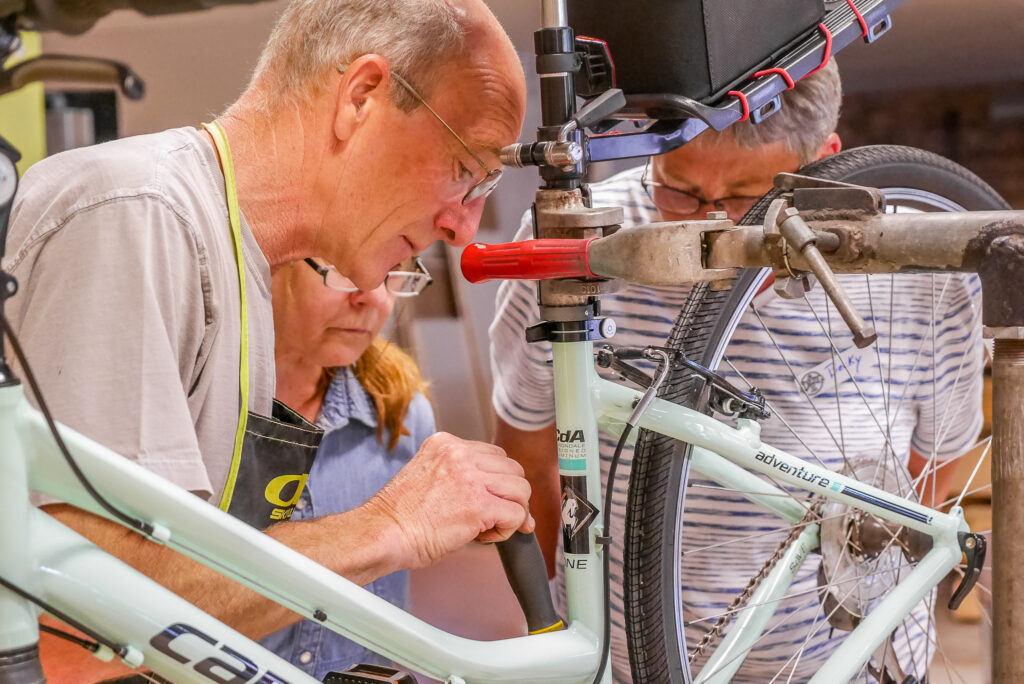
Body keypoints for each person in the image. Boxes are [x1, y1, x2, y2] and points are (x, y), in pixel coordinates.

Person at [5, 0, 530, 680]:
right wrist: (388, 525)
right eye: (467, 170)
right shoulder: (140, 214)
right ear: (362, 96)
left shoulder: (232, 265)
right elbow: (74, 632)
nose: (464, 226)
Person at [489, 58, 985, 682]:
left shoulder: (919, 266)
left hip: (851, 656)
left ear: (824, 161)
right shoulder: (576, 239)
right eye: (679, 192)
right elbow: (530, 454)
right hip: (626, 659)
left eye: (750, 202)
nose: (711, 227)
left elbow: (936, 467)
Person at [261, 256, 433, 678]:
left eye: (394, 272)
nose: (374, 298)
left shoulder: (402, 416)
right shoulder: (201, 412)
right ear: (270, 264)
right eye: (345, 270)